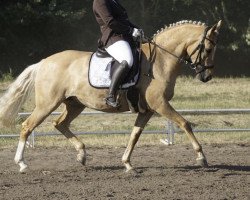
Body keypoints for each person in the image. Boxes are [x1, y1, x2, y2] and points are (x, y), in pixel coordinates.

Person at [93, 0, 143, 107]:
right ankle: (110, 95)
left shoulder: (113, 1)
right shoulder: (100, 1)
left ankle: (133, 92)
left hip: (123, 37)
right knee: (127, 60)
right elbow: (110, 22)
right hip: (112, 37)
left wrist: (136, 28)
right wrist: (130, 31)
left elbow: (123, 20)